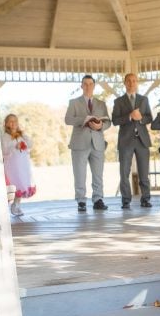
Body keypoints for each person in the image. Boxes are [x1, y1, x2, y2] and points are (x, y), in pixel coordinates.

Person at [65, 74, 110, 212]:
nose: (88, 86)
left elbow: (108, 121)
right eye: (85, 84)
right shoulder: (74, 102)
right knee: (79, 173)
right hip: (79, 143)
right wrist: (84, 120)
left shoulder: (101, 104)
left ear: (94, 86)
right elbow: (68, 120)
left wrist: (100, 126)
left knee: (98, 174)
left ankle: (98, 199)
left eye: (90, 84)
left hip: (98, 143)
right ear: (81, 86)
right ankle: (81, 201)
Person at [112, 73, 153, 209]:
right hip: (125, 141)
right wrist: (129, 116)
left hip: (142, 141)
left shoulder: (144, 100)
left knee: (144, 173)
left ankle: (145, 199)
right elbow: (115, 120)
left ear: (137, 83)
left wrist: (141, 118)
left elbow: (149, 118)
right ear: (124, 83)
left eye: (134, 81)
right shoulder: (118, 101)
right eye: (128, 81)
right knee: (124, 173)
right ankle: (126, 200)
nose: (131, 83)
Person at [1, 113, 36, 217]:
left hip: (22, 163)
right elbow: (4, 150)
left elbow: (30, 144)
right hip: (12, 164)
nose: (13, 123)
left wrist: (22, 136)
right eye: (11, 121)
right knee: (13, 183)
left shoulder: (21, 135)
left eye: (15, 121)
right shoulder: (5, 137)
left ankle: (16, 205)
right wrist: (14, 146)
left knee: (21, 182)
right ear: (6, 124)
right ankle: (9, 204)